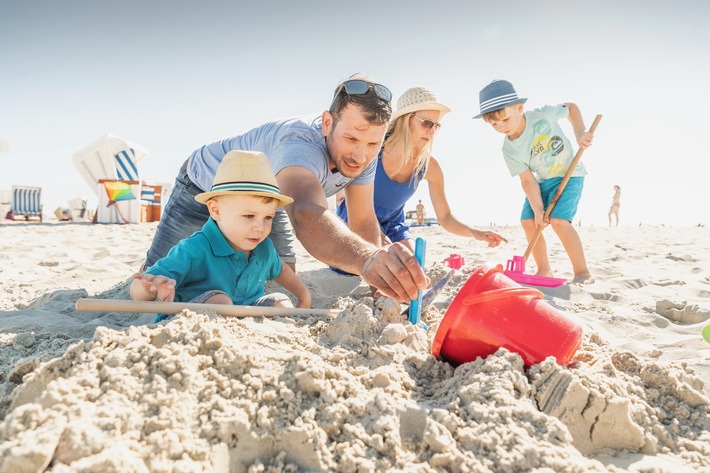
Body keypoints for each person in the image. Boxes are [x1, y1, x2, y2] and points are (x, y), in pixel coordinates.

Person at [143, 74, 427, 302]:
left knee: (280, 274)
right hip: (201, 183)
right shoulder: (298, 144)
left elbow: (363, 220)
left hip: (268, 199)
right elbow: (306, 212)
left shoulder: (364, 151)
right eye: (351, 138)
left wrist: (381, 284)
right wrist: (366, 259)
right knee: (156, 279)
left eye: (372, 144)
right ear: (327, 123)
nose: (360, 156)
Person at [131, 150, 311, 322]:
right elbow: (138, 291)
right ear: (216, 211)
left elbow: (281, 270)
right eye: (249, 216)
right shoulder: (194, 248)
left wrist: (303, 295)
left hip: (246, 312)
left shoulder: (264, 248)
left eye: (268, 217)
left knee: (282, 303)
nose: (260, 227)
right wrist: (150, 287)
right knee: (220, 301)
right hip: (191, 315)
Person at [336, 87, 507, 255]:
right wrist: (387, 248)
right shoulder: (372, 151)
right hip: (355, 221)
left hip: (394, 227)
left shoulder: (429, 166)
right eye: (427, 123)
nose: (432, 131)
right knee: (388, 264)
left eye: (436, 125)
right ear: (405, 119)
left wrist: (475, 233)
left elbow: (445, 217)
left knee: (412, 264)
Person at [475, 79, 594, 284]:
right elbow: (528, 180)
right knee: (529, 221)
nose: (500, 126)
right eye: (494, 124)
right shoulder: (509, 149)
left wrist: (580, 133)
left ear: (519, 108)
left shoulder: (543, 115)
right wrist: (538, 209)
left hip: (569, 174)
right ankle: (544, 270)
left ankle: (583, 273)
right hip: (542, 182)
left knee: (558, 221)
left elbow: (571, 108)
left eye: (504, 119)